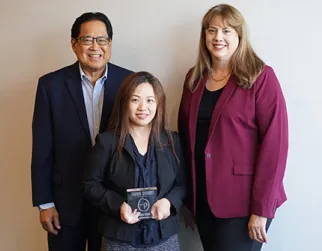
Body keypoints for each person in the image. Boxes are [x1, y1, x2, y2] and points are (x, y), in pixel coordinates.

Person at [178, 4, 288, 251]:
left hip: (244, 203)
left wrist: (262, 209)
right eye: (212, 30)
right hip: (203, 199)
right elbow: (185, 140)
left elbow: (275, 147)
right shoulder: (194, 78)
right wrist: (186, 197)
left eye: (227, 30)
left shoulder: (261, 77)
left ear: (239, 35)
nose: (218, 37)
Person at [31, 12, 133, 251]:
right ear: (74, 44)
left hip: (114, 201)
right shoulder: (50, 86)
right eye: (87, 40)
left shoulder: (129, 82)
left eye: (102, 40)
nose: (95, 47)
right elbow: (42, 149)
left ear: (110, 44)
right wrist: (45, 203)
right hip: (66, 203)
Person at [82, 71, 186, 251]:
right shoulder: (107, 142)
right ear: (124, 103)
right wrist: (118, 205)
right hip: (119, 239)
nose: (142, 107)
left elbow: (183, 184)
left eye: (150, 100)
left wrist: (169, 202)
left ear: (158, 104)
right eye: (135, 100)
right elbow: (90, 184)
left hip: (164, 237)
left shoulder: (172, 141)